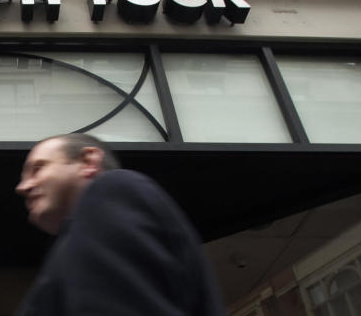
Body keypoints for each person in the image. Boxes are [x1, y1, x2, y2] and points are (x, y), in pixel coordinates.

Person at [14, 133, 225, 316]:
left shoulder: (111, 190)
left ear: (89, 161)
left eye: (38, 168)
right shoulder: (74, 244)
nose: (22, 187)